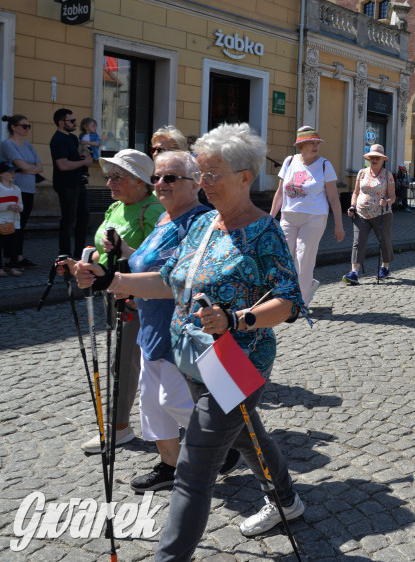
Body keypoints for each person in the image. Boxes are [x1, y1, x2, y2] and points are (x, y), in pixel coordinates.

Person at [78, 123, 308, 554]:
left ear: (245, 177)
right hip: (192, 358)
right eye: (200, 173)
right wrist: (110, 280)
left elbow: (290, 302)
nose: (203, 183)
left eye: (212, 174)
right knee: (246, 432)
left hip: (238, 363)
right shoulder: (205, 227)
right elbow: (168, 281)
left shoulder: (265, 232)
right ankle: (287, 500)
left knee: (194, 468)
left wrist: (237, 320)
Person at [79, 149, 165, 453]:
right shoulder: (115, 207)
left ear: (141, 182)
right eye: (109, 176)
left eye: (118, 177)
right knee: (124, 360)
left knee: (126, 363)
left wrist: (126, 257)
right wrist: (88, 256)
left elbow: (161, 261)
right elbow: (101, 247)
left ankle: (118, 429)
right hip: (113, 292)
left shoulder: (154, 211)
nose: (109, 183)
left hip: (139, 299)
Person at [270, 126, 345, 306]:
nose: (315, 146)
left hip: (314, 217)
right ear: (300, 145)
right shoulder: (289, 162)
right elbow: (280, 193)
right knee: (285, 257)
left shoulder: (325, 165)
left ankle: (300, 302)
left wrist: (339, 224)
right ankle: (302, 287)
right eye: (310, 143)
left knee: (304, 258)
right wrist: (270, 218)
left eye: (317, 142)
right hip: (288, 217)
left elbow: (333, 197)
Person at [345, 143, 395, 285]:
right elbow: (355, 193)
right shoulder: (361, 173)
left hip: (382, 214)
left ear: (382, 160)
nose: (374, 160)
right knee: (358, 243)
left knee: (384, 241)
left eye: (377, 158)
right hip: (361, 213)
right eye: (372, 157)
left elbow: (393, 197)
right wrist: (352, 206)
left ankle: (385, 267)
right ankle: (354, 272)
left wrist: (387, 201)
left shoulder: (387, 175)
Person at [1, 114, 43, 269]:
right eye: (24, 126)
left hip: (29, 189)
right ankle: (9, 258)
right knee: (10, 224)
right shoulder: (7, 144)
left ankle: (18, 257)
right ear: (13, 127)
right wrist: (29, 169)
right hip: (13, 190)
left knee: (21, 224)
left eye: (28, 126)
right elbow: (22, 166)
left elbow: (40, 166)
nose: (27, 129)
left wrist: (27, 169)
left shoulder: (29, 145)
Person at [50, 108, 93, 258]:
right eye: (72, 121)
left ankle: (80, 253)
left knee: (84, 218)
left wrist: (85, 159)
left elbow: (75, 159)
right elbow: (63, 165)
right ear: (61, 123)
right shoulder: (57, 140)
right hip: (66, 184)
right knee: (68, 219)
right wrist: (83, 163)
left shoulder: (73, 138)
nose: (75, 123)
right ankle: (65, 253)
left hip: (78, 182)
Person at [0, 161, 24, 277]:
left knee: (14, 246)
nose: (13, 174)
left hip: (14, 222)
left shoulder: (17, 189)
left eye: (14, 172)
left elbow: (21, 204)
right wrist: (7, 207)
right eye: (9, 172)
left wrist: (19, 208)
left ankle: (13, 266)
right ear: (1, 174)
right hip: (1, 221)